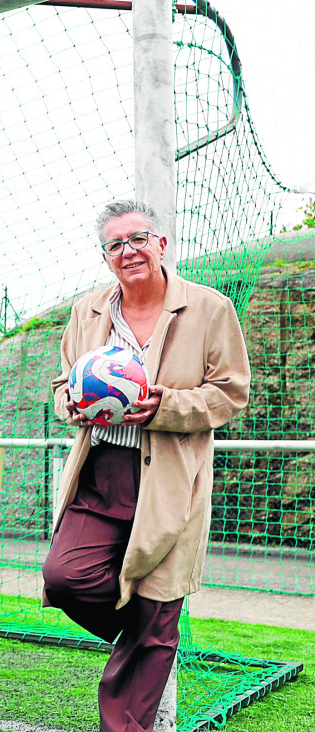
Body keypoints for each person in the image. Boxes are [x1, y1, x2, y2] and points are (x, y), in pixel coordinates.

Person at [41, 200, 250, 732]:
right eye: (115, 245)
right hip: (100, 469)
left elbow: (230, 394)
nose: (128, 251)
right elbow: (67, 382)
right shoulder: (88, 311)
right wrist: (72, 403)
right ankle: (150, 638)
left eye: (138, 239)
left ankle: (142, 677)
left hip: (169, 479)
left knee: (158, 615)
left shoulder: (210, 308)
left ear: (160, 244)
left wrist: (168, 407)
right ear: (106, 257)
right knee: (65, 578)